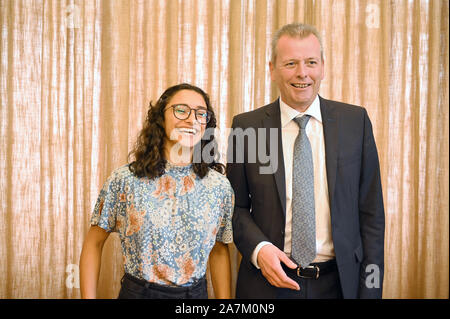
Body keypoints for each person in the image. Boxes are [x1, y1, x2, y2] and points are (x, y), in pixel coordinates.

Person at [227, 23, 385, 299]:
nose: (302, 73)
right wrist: (259, 249)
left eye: (311, 62)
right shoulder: (246, 127)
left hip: (340, 284)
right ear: (272, 69)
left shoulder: (355, 122)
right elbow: (234, 207)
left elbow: (371, 215)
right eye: (290, 63)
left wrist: (370, 291)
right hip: (267, 283)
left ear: (322, 66)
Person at [80, 83, 234, 299]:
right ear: (160, 118)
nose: (192, 120)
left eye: (201, 114)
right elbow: (93, 243)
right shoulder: (125, 180)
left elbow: (219, 251)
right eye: (181, 110)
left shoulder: (219, 187)